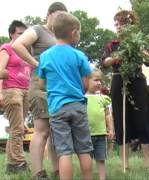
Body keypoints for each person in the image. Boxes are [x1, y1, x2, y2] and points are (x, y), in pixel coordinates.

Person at [12, 2, 67, 179]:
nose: (59, 19)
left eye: (63, 17)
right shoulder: (38, 30)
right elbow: (18, 45)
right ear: (48, 14)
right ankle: (38, 173)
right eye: (57, 15)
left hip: (57, 86)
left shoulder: (60, 35)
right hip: (40, 83)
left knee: (55, 131)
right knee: (42, 129)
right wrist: (38, 64)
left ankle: (57, 171)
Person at [101, 10, 149, 170]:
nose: (118, 27)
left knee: (143, 120)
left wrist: (140, 51)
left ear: (130, 26)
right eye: (116, 24)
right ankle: (125, 166)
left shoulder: (139, 42)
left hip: (137, 82)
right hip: (118, 81)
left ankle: (148, 165)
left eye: (121, 23)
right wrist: (115, 57)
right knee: (121, 121)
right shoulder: (112, 45)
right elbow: (105, 61)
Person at [37, 12, 93, 180]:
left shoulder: (45, 56)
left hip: (57, 109)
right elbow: (86, 84)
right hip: (77, 106)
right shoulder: (79, 55)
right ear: (74, 33)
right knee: (84, 149)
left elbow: (41, 84)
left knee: (64, 152)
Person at [0, 20, 31, 173]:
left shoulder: (25, 52)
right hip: (11, 90)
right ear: (12, 33)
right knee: (18, 128)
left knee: (16, 128)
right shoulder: (7, 48)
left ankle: (10, 165)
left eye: (25, 34)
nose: (22, 36)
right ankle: (19, 163)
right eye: (20, 33)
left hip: (25, 91)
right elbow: (0, 71)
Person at [86, 67, 114, 180]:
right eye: (95, 80)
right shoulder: (81, 98)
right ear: (86, 80)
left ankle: (102, 178)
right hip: (86, 135)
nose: (99, 83)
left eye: (100, 80)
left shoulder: (104, 98)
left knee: (101, 159)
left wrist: (111, 129)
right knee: (87, 160)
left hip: (101, 134)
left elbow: (108, 115)